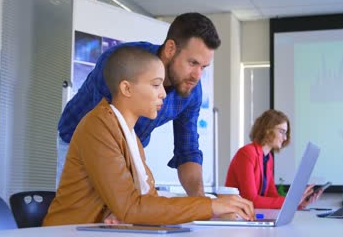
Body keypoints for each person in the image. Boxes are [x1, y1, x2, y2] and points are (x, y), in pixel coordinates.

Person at [43, 46, 254, 226]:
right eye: (155, 85)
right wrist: (212, 205)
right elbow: (132, 206)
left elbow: (146, 199)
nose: (163, 93)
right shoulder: (98, 126)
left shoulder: (130, 136)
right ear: (126, 88)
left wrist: (129, 212)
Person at [57, 12, 221, 196]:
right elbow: (104, 134)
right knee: (83, 211)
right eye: (193, 63)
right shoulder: (122, 63)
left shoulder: (191, 90)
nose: (198, 75)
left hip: (129, 149)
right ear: (170, 49)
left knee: (126, 213)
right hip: (78, 140)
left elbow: (188, 150)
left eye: (204, 67)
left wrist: (200, 202)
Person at [225, 109, 322, 209]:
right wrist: (292, 201)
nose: (285, 138)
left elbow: (271, 195)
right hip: (237, 217)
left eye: (286, 133)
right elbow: (251, 200)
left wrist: (300, 203)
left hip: (250, 216)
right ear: (267, 130)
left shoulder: (268, 158)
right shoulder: (247, 153)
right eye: (282, 132)